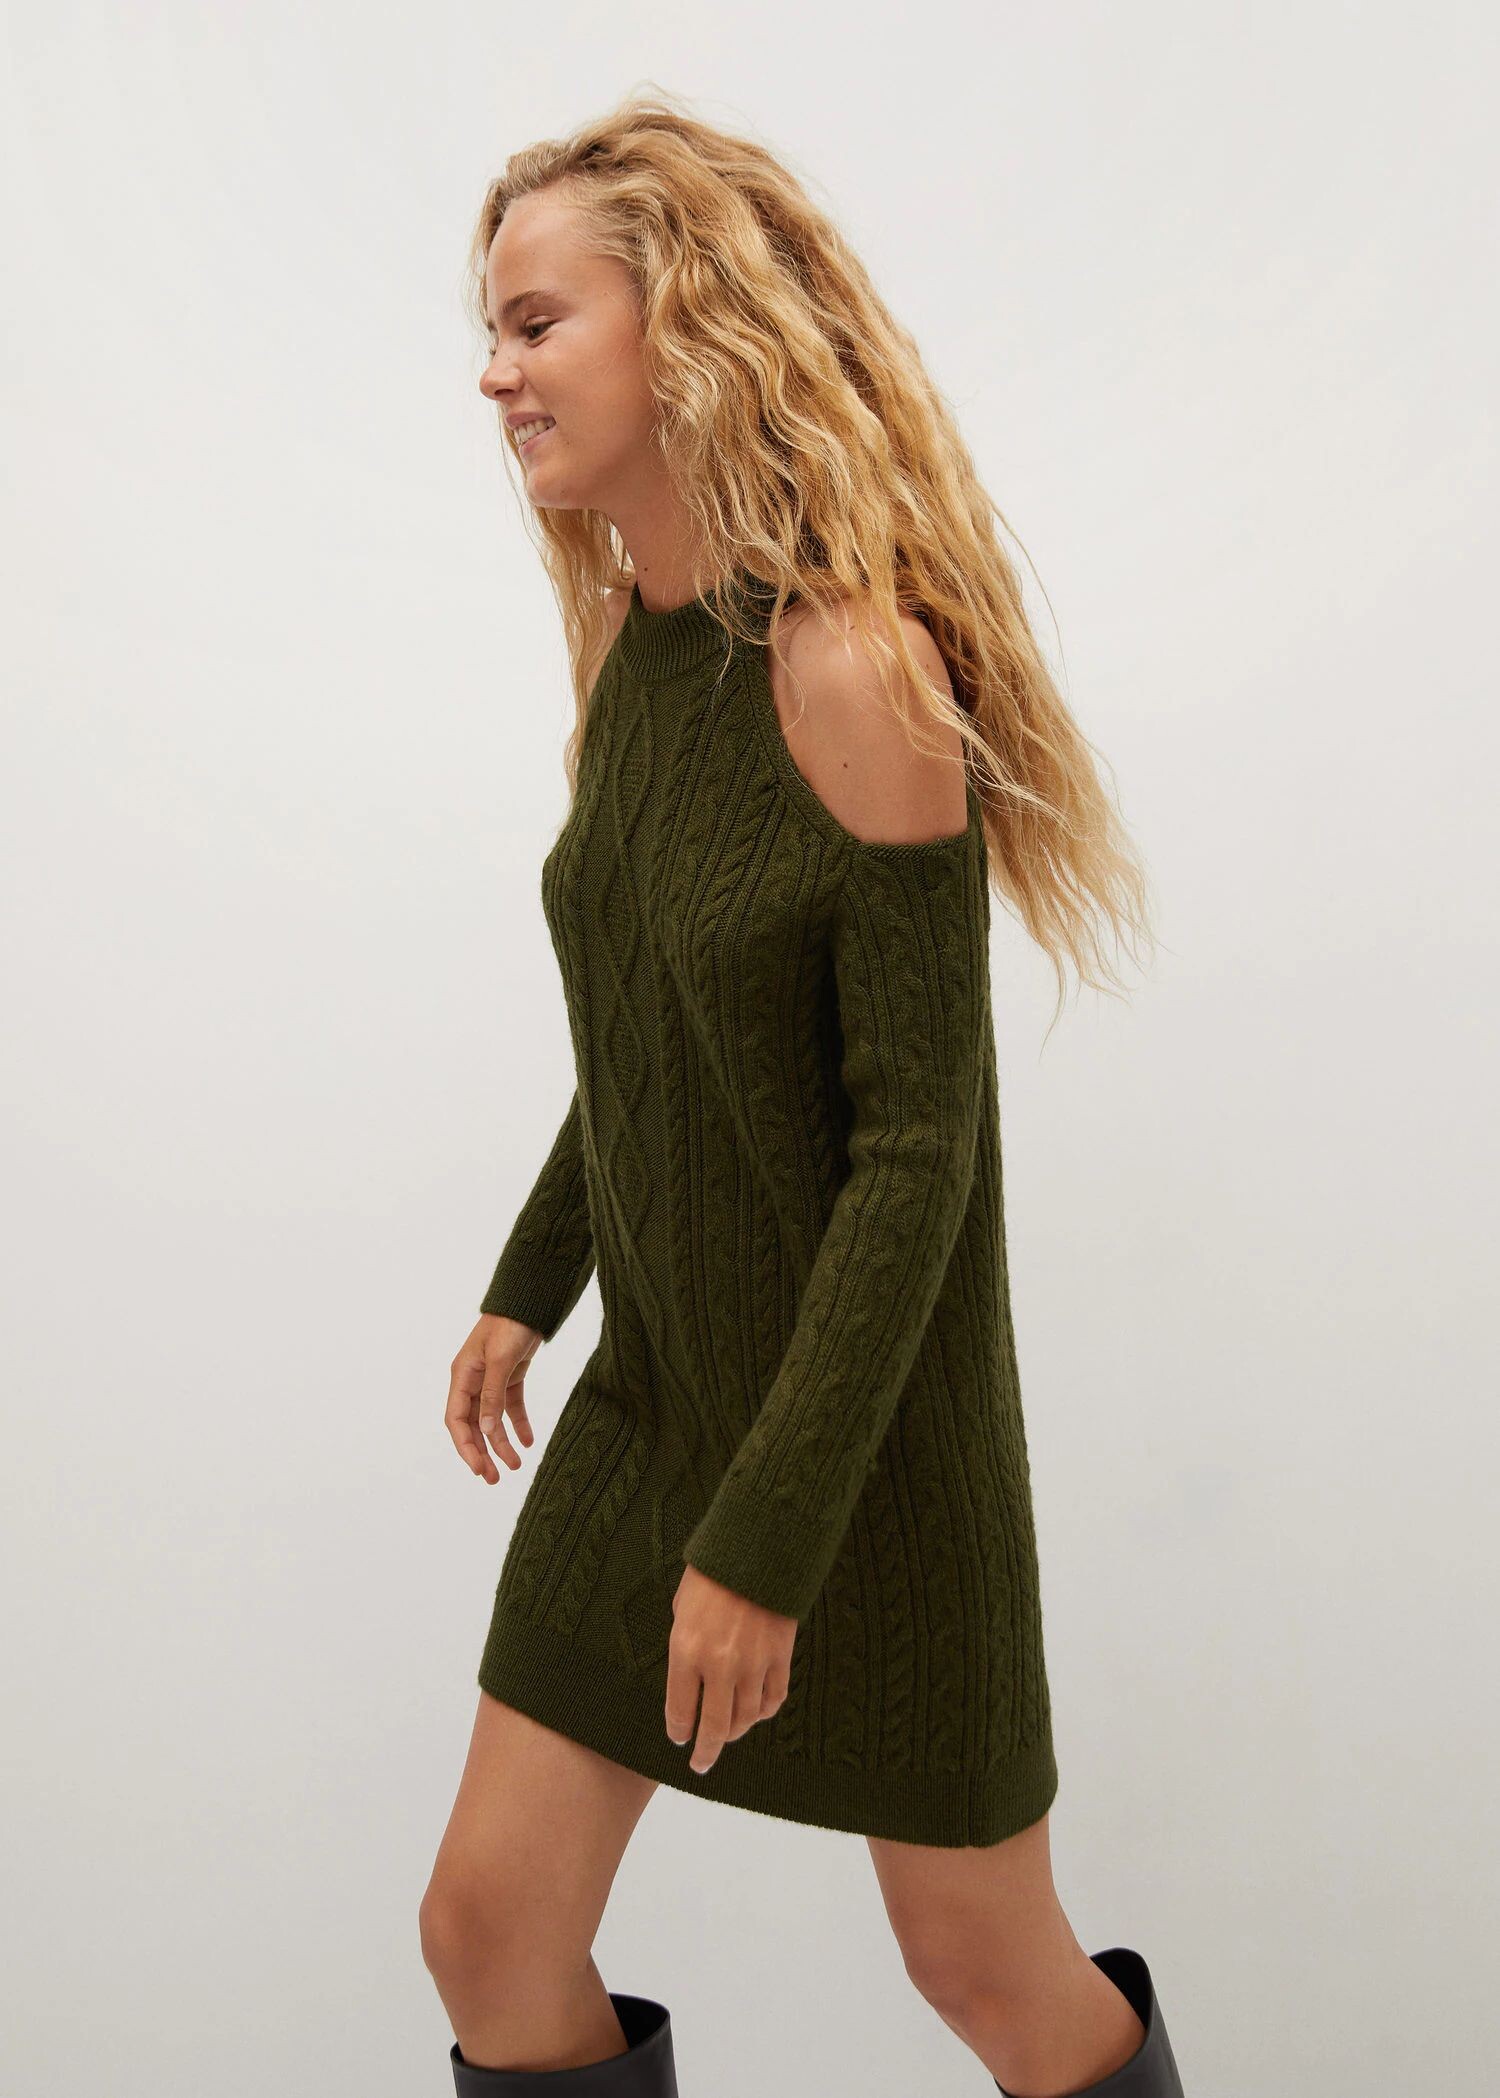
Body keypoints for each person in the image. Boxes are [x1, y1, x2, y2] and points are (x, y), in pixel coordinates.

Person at [421, 93, 1185, 2098]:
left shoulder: (854, 672)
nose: (493, 372)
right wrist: (530, 1284)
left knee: (987, 1972)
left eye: (533, 322)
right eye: (489, 331)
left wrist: (766, 1542)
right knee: (488, 1925)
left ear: (681, 325)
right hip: (658, 1409)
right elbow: (660, 1033)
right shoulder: (633, 656)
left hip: (868, 1458)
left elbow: (917, 1154)